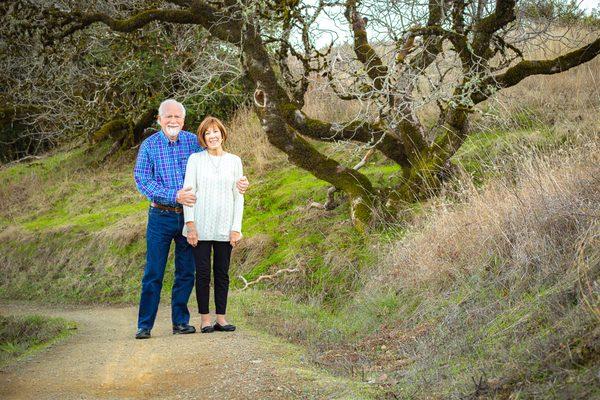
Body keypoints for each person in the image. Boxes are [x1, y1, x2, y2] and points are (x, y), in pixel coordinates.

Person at [133, 100, 248, 339]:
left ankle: (180, 322)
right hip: (161, 215)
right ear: (159, 119)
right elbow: (142, 181)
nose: (173, 120)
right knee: (154, 272)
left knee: (186, 272)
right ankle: (145, 325)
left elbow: (214, 163)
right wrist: (173, 194)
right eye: (168, 117)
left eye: (177, 117)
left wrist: (238, 181)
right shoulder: (149, 146)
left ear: (183, 120)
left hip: (188, 218)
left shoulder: (192, 142)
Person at [183, 116, 243, 333]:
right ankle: (205, 319)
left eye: (215, 131)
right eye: (207, 133)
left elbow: (239, 196)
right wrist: (190, 225)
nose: (212, 136)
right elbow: (188, 193)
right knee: (203, 273)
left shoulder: (234, 161)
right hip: (201, 226)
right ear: (203, 137)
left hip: (225, 227)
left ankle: (221, 318)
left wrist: (236, 228)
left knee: (222, 273)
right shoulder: (195, 160)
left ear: (222, 134)